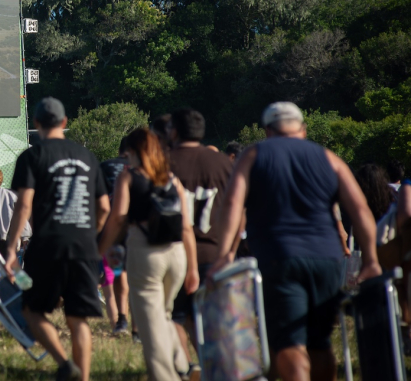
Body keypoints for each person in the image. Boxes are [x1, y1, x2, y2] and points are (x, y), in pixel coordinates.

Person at [210, 102, 381, 381]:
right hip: (328, 260)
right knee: (320, 342)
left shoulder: (253, 155)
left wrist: (224, 255)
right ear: (302, 128)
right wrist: (372, 260)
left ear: (267, 130)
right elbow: (360, 209)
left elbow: (232, 203)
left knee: (289, 342)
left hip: (279, 257)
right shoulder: (329, 158)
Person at [5, 97, 111, 381]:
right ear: (65, 123)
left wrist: (11, 247)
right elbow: (104, 208)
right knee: (78, 319)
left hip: (48, 244)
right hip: (84, 245)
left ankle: (64, 364)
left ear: (36, 124)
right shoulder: (87, 156)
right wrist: (92, 238)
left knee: (32, 309)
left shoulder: (31, 156)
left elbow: (24, 205)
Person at [99, 128, 199, 381]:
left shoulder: (129, 177)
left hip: (146, 253)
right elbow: (186, 226)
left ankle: (166, 376)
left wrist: (98, 250)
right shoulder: (171, 178)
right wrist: (193, 268)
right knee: (164, 315)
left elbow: (119, 218)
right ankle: (183, 364)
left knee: (150, 327)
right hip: (177, 254)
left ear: (133, 152)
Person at [166, 108, 233, 370]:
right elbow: (238, 208)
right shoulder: (222, 163)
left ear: (174, 131)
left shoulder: (164, 162)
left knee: (176, 317)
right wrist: (230, 249)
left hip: (175, 252)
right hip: (216, 253)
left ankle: (187, 366)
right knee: (215, 320)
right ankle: (218, 365)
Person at [101, 138, 133, 337]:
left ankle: (118, 323)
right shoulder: (142, 170)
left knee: (111, 278)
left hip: (110, 231)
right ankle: (133, 325)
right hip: (137, 231)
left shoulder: (104, 167)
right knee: (132, 279)